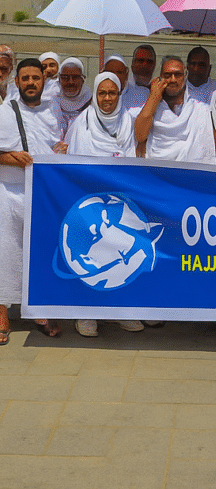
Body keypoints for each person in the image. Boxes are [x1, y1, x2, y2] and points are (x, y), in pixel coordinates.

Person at [67, 72, 144, 337]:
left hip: (119, 203)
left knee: (120, 257)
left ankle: (120, 313)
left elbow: (134, 158)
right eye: (102, 93)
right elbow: (71, 162)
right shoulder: (81, 124)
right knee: (91, 258)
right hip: (88, 203)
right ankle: (86, 314)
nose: (108, 98)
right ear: (95, 95)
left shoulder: (127, 122)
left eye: (112, 93)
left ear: (119, 95)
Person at [0, 59, 65, 342]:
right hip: (9, 193)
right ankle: (2, 312)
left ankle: (40, 311)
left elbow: (56, 149)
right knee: (6, 255)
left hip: (41, 194)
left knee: (38, 254)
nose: (30, 83)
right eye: (24, 78)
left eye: (35, 78)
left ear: (43, 81)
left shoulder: (54, 114)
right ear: (16, 82)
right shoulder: (4, 113)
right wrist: (11, 159)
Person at [134, 56, 208, 161]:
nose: (172, 80)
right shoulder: (150, 101)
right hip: (156, 168)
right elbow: (140, 136)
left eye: (178, 75)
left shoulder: (198, 107)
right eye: (167, 75)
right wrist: (154, 98)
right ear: (160, 77)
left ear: (185, 75)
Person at [57, 57, 92, 136]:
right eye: (65, 77)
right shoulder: (52, 102)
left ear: (82, 80)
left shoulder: (91, 104)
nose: (70, 82)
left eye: (75, 77)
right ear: (59, 80)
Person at [122, 45, 157, 109]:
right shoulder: (123, 91)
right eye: (140, 60)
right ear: (133, 64)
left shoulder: (159, 92)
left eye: (149, 62)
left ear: (154, 65)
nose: (144, 65)